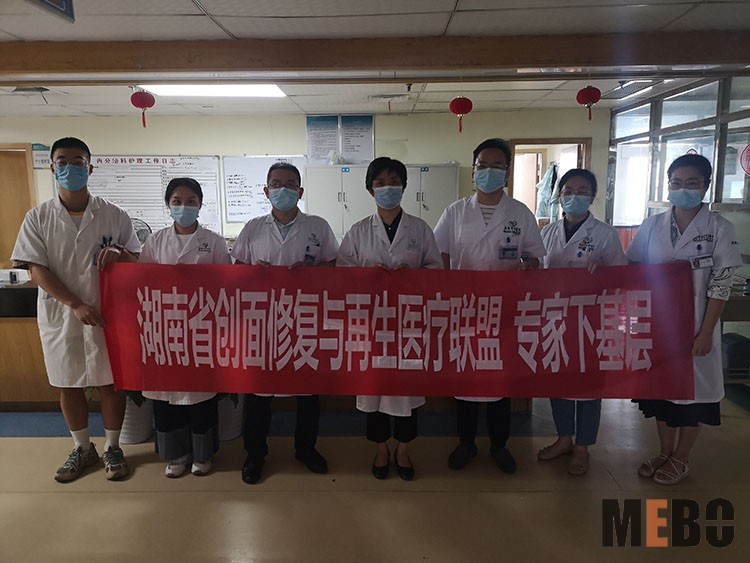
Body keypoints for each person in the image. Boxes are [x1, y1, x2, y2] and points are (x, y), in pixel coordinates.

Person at [11, 137, 140, 482]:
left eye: (78, 162)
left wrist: (120, 254)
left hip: (108, 315)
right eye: (63, 162)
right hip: (62, 315)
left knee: (111, 383)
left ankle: (113, 447)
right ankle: (82, 448)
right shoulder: (38, 217)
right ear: (52, 168)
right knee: (68, 384)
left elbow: (137, 260)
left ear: (90, 168)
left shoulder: (114, 214)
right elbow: (35, 269)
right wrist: (75, 304)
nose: (71, 168)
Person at [626, 154, 741, 485]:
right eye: (676, 183)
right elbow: (633, 267)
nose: (683, 189)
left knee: (692, 396)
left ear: (706, 186)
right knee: (662, 393)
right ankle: (664, 452)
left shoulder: (719, 228)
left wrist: (706, 333)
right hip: (658, 325)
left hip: (696, 326)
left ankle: (681, 457)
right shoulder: (652, 225)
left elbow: (721, 285)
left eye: (692, 183)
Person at [433, 138, 546, 474]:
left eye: (497, 166)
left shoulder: (520, 213)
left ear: (506, 172)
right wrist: (446, 286)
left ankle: (499, 445)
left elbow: (535, 257)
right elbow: (439, 254)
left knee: (500, 379)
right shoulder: (455, 212)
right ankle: (466, 443)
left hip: (503, 311)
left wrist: (528, 267)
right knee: (465, 378)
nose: (489, 171)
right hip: (464, 310)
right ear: (473, 171)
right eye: (483, 165)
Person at [231, 162, 339, 485]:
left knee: (307, 390)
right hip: (263, 322)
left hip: (305, 319)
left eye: (290, 184)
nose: (283, 189)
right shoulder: (252, 228)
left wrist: (313, 274)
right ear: (266, 191)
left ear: (300, 191)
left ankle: (306, 449)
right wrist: (253, 273)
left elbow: (336, 267)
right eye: (276, 184)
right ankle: (255, 454)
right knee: (259, 392)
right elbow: (236, 270)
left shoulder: (318, 226)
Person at [337, 157, 443, 481]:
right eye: (380, 182)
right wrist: (367, 275)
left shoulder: (420, 229)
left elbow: (436, 271)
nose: (387, 188)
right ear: (370, 189)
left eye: (394, 181)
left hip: (408, 323)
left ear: (404, 186)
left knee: (406, 391)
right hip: (372, 324)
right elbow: (342, 274)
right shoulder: (358, 231)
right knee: (374, 389)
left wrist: (414, 276)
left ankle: (403, 450)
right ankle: (381, 449)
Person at [138, 177, 231, 477]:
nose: (184, 207)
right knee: (166, 396)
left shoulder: (214, 242)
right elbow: (142, 281)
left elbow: (227, 283)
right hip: (165, 330)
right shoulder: (155, 241)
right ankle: (176, 455)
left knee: (201, 395)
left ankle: (202, 456)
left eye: (191, 201)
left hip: (202, 329)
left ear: (200, 204)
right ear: (168, 205)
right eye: (177, 201)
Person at [536, 169, 627, 475]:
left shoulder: (604, 234)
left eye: (582, 191)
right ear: (559, 196)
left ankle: (582, 447)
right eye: (568, 191)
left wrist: (603, 270)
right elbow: (538, 273)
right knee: (558, 379)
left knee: (589, 385)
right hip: (556, 317)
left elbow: (621, 277)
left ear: (592, 196)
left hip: (591, 320)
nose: (574, 196)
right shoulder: (548, 232)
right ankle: (564, 438)